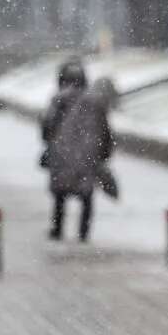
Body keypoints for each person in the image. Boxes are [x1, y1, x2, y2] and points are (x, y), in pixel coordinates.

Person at [44, 72, 117, 243]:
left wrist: (52, 144)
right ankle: (83, 233)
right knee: (86, 196)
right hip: (88, 155)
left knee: (60, 195)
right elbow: (106, 131)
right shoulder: (96, 103)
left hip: (62, 154)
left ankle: (57, 229)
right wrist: (104, 154)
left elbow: (47, 127)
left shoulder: (59, 101)